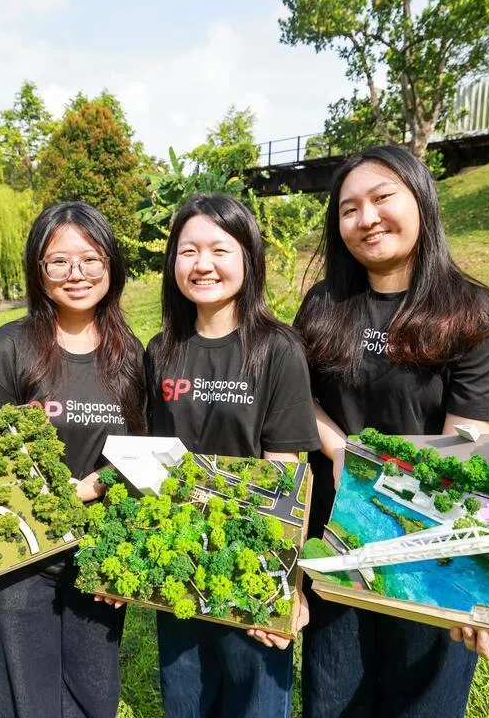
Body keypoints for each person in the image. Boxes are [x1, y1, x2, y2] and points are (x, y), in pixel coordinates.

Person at [293, 146, 489, 718]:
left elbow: (465, 453)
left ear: (421, 199)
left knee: (422, 701)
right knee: (334, 696)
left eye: (382, 198)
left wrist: (480, 583)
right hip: (337, 535)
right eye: (348, 209)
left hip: (430, 545)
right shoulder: (324, 304)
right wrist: (341, 451)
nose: (366, 218)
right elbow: (299, 398)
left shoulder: (476, 314)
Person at [0, 201, 146, 718]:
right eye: (59, 261)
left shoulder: (131, 355)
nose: (76, 274)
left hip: (97, 552)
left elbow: (142, 455)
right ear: (38, 270)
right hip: (18, 554)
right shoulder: (8, 348)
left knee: (94, 693)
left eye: (91, 259)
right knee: (27, 698)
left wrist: (117, 529)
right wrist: (71, 491)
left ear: (111, 265)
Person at [144, 193, 319, 718]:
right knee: (186, 699)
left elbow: (287, 477)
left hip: (252, 561)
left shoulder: (278, 349)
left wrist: (285, 584)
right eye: (188, 251)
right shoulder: (161, 350)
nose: (203, 264)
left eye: (220, 249)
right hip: (177, 559)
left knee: (255, 701)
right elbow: (153, 459)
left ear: (248, 258)